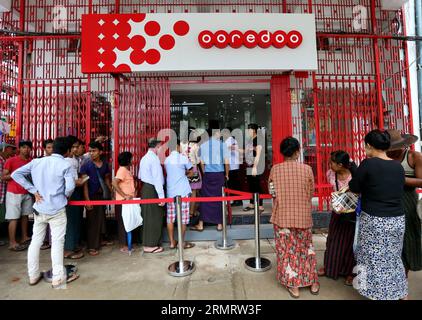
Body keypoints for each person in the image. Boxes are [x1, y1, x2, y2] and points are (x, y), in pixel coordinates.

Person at [11, 137, 78, 288]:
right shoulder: (65, 164)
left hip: (40, 208)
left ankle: (33, 276)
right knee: (57, 243)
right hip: (57, 209)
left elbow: (16, 175)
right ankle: (58, 279)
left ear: (52, 149)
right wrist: (64, 197)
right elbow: (70, 187)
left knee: (36, 241)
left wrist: (33, 190)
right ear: (67, 151)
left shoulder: (37, 162)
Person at [349, 129, 408, 300]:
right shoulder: (397, 166)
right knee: (393, 258)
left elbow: (354, 187)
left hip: (375, 220)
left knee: (373, 259)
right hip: (397, 219)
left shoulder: (368, 164)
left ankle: (378, 294)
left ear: (369, 145)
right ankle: (399, 292)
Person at [269, 137, 319, 299]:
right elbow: (311, 193)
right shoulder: (307, 170)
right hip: (302, 216)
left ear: (283, 152)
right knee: (306, 249)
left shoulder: (275, 170)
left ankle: (293, 285)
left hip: (282, 216)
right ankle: (312, 281)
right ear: (297, 152)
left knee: (286, 251)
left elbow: (272, 192)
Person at [386, 129, 422, 274]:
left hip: (407, 202)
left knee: (408, 237)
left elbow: (421, 181)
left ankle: (404, 274)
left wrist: (401, 179)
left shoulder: (414, 156)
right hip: (388, 201)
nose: (392, 152)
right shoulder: (384, 156)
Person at [318, 151, 357, 286]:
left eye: (332, 163)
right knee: (333, 240)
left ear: (340, 165)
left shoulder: (355, 175)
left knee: (351, 243)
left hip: (352, 213)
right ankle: (331, 267)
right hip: (338, 212)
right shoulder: (331, 174)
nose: (330, 165)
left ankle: (350, 273)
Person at [190, 126, 230, 232]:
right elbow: (226, 162)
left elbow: (202, 163)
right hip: (219, 174)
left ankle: (201, 224)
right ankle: (219, 224)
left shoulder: (203, 146)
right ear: (216, 134)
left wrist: (205, 173)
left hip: (208, 174)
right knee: (219, 198)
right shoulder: (223, 145)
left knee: (205, 199)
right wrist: (227, 174)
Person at [80, 141, 113, 256]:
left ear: (100, 152)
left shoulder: (104, 164)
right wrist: (87, 200)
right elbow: (84, 184)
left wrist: (111, 192)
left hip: (101, 195)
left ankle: (99, 241)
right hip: (91, 195)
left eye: (94, 151)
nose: (91, 153)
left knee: (100, 219)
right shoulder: (86, 165)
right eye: (90, 151)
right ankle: (91, 246)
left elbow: (107, 179)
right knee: (92, 222)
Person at [3, 140, 33, 251]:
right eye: (24, 147)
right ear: (19, 149)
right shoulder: (11, 161)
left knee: (25, 216)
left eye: (28, 148)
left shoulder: (31, 161)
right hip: (14, 192)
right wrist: (17, 174)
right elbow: (4, 177)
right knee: (13, 217)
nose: (26, 150)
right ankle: (12, 242)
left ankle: (24, 237)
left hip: (27, 192)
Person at [165, 140, 195, 250]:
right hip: (183, 192)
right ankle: (182, 242)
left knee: (170, 218)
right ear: (177, 146)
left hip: (170, 192)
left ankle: (172, 242)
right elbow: (192, 172)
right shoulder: (183, 158)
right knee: (183, 218)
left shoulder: (167, 160)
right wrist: (184, 174)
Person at [138, 137, 166, 254]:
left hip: (146, 188)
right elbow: (157, 179)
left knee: (148, 216)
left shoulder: (144, 158)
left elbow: (139, 175)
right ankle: (150, 245)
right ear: (157, 146)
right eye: (161, 147)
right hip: (152, 189)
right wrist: (161, 197)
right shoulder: (154, 159)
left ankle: (149, 242)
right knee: (153, 217)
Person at [63, 136, 85, 259]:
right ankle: (68, 249)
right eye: (74, 147)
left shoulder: (75, 159)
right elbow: (69, 181)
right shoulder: (67, 161)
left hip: (75, 192)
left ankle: (74, 244)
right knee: (70, 221)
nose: (76, 149)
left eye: (78, 146)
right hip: (70, 193)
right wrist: (79, 181)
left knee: (76, 220)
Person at [113, 151, 136, 253]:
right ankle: (123, 245)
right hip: (123, 201)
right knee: (123, 224)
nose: (132, 160)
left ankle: (127, 243)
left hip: (127, 201)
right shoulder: (122, 170)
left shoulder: (126, 170)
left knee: (127, 222)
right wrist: (124, 195)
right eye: (131, 158)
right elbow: (114, 183)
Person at [181, 128, 202, 219]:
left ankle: (183, 211)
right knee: (193, 192)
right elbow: (199, 160)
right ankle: (191, 212)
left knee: (184, 191)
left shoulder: (181, 144)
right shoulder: (196, 146)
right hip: (193, 169)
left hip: (183, 169)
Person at [244, 123, 265, 212]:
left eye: (250, 129)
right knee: (251, 185)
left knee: (257, 185)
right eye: (248, 129)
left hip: (257, 165)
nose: (248, 131)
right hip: (249, 164)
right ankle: (252, 203)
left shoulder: (259, 139)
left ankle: (260, 205)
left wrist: (255, 167)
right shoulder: (249, 139)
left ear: (254, 130)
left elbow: (258, 155)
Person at [0, 142, 17, 246]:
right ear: (5, 149)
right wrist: (16, 173)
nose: (14, 151)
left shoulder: (4, 160)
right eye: (12, 149)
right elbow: (2, 177)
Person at [40, 138, 54, 250]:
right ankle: (44, 240)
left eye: (52, 147)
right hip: (42, 193)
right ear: (44, 149)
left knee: (54, 218)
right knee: (42, 219)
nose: (51, 149)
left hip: (54, 194)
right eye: (49, 147)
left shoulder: (57, 160)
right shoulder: (39, 161)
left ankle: (51, 240)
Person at [223, 127, 243, 206]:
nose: (223, 134)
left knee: (233, 184)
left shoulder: (230, 140)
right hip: (233, 165)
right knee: (234, 183)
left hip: (232, 165)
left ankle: (237, 200)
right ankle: (237, 200)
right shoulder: (232, 140)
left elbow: (228, 149)